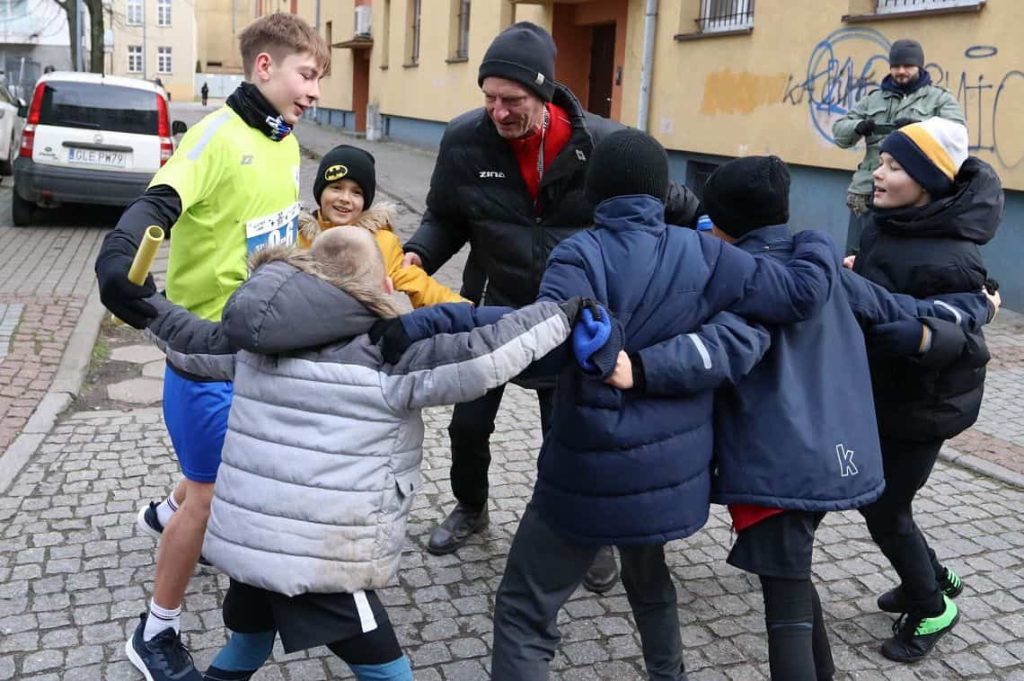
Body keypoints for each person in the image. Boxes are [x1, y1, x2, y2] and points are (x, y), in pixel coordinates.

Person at [142, 226, 597, 681]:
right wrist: (561, 316)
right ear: (383, 287)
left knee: (249, 643)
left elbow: (181, 335)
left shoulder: (254, 342)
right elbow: (484, 354)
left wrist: (137, 294)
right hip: (320, 561)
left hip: (249, 546)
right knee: (389, 673)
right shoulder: (388, 361)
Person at [480, 129, 846, 681]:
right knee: (648, 578)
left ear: (594, 191)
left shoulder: (576, 254)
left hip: (587, 473)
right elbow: (799, 294)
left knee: (523, 610)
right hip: (671, 477)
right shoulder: (706, 253)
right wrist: (818, 241)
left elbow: (543, 350)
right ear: (662, 191)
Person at [401, 21, 700, 592]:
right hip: (495, 307)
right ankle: (471, 507)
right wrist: (419, 253)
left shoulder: (605, 146)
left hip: (573, 316)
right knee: (467, 427)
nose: (498, 112)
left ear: (543, 93)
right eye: (489, 98)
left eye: (511, 100)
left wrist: (726, 235)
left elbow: (674, 204)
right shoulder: (464, 141)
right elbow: (445, 216)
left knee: (570, 435)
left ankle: (589, 532)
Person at [93, 12, 329, 681]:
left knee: (219, 467)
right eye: (307, 74)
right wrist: (122, 249)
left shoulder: (283, 140)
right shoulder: (216, 136)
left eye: (319, 78)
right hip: (204, 352)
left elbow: (273, 230)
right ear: (265, 66)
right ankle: (154, 630)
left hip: (257, 345)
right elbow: (159, 202)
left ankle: (164, 511)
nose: (315, 91)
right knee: (212, 492)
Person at [702, 155, 991, 681]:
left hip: (767, 462)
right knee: (788, 577)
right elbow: (902, 311)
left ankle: (917, 606)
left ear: (718, 219)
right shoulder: (825, 268)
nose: (879, 172)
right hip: (823, 450)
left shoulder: (719, 275)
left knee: (786, 602)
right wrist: (972, 314)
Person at [849, 117, 1002, 663]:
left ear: (928, 181)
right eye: (882, 162)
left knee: (885, 509)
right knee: (886, 504)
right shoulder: (889, 224)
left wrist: (909, 329)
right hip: (887, 394)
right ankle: (933, 576)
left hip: (924, 406)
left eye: (895, 167)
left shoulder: (951, 254)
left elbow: (958, 333)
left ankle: (932, 605)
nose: (878, 173)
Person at [832, 39, 964, 255]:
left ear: (919, 66)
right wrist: (858, 126)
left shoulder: (939, 98)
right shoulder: (873, 99)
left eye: (908, 66)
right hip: (868, 191)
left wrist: (919, 128)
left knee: (898, 256)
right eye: (896, 66)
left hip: (913, 193)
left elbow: (956, 133)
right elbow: (839, 131)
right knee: (857, 256)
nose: (901, 71)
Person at [298, 144, 465, 307]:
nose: (345, 198)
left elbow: (421, 286)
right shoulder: (296, 236)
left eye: (356, 192)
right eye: (336, 188)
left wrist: (469, 313)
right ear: (320, 191)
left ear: (366, 201)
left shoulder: (381, 243)